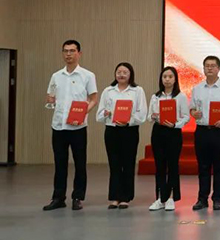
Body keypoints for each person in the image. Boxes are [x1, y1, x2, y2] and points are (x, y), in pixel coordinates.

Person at [43, 39, 98, 211]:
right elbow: (50, 99)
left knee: (80, 163)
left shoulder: (88, 75)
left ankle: (78, 197)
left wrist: (83, 114)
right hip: (58, 126)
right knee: (59, 163)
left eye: (72, 51)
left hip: (78, 127)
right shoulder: (56, 76)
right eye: (65, 51)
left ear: (79, 53)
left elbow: (93, 99)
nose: (68, 54)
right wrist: (50, 101)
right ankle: (58, 197)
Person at [190, 55, 220, 211]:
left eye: (213, 66)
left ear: (219, 69)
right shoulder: (197, 88)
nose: (209, 68)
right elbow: (192, 109)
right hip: (202, 131)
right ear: (203, 69)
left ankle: (217, 198)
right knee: (203, 166)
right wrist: (194, 113)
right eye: (207, 66)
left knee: (219, 166)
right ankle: (202, 199)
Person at [97, 62, 148, 209]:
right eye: (119, 72)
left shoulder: (137, 91)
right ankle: (114, 197)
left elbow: (142, 113)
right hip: (111, 130)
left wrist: (128, 121)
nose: (121, 75)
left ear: (130, 74)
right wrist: (105, 114)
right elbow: (99, 115)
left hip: (129, 131)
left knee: (128, 163)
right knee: (114, 164)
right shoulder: (108, 91)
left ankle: (125, 197)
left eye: (125, 72)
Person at [148, 66, 190, 211]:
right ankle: (160, 198)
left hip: (173, 132)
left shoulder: (180, 96)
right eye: (164, 77)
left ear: (175, 79)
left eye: (170, 77)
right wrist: (153, 116)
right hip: (158, 132)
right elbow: (149, 117)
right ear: (161, 79)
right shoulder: (155, 97)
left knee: (172, 165)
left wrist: (175, 124)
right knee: (159, 165)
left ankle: (171, 197)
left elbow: (186, 117)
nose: (167, 79)